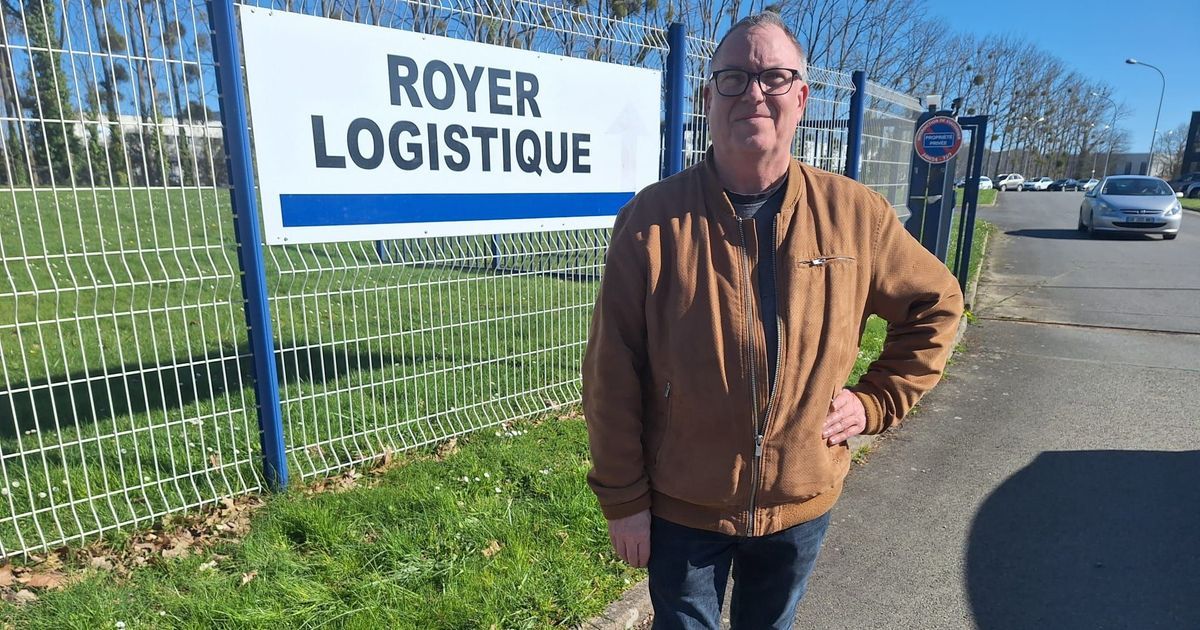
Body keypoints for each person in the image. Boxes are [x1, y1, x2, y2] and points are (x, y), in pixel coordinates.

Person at [580, 11, 964, 630]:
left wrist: (876, 401)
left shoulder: (854, 215)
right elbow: (610, 370)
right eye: (733, 78)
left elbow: (937, 305)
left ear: (802, 97)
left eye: (774, 77)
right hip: (683, 506)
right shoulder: (652, 221)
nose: (753, 93)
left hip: (800, 503)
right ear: (709, 98)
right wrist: (624, 500)